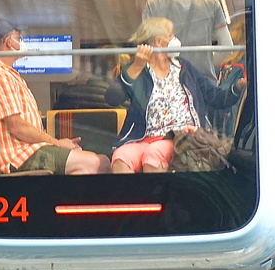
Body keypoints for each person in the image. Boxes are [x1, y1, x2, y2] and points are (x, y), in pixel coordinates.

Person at [104, 17, 244, 173]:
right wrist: (136, 66)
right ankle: (133, 197)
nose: (174, 39)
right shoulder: (139, 70)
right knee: (121, 156)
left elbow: (215, 97)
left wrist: (237, 87)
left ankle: (156, 197)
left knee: (154, 154)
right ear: (158, 41)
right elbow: (112, 98)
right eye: (170, 35)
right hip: (144, 138)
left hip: (181, 137)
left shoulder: (184, 68)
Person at [0, 18, 107, 175]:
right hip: (15, 157)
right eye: (18, 38)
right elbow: (17, 127)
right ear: (9, 42)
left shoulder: (6, 74)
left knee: (103, 162)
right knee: (91, 163)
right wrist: (57, 143)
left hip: (28, 150)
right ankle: (60, 199)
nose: (21, 43)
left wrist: (56, 144)